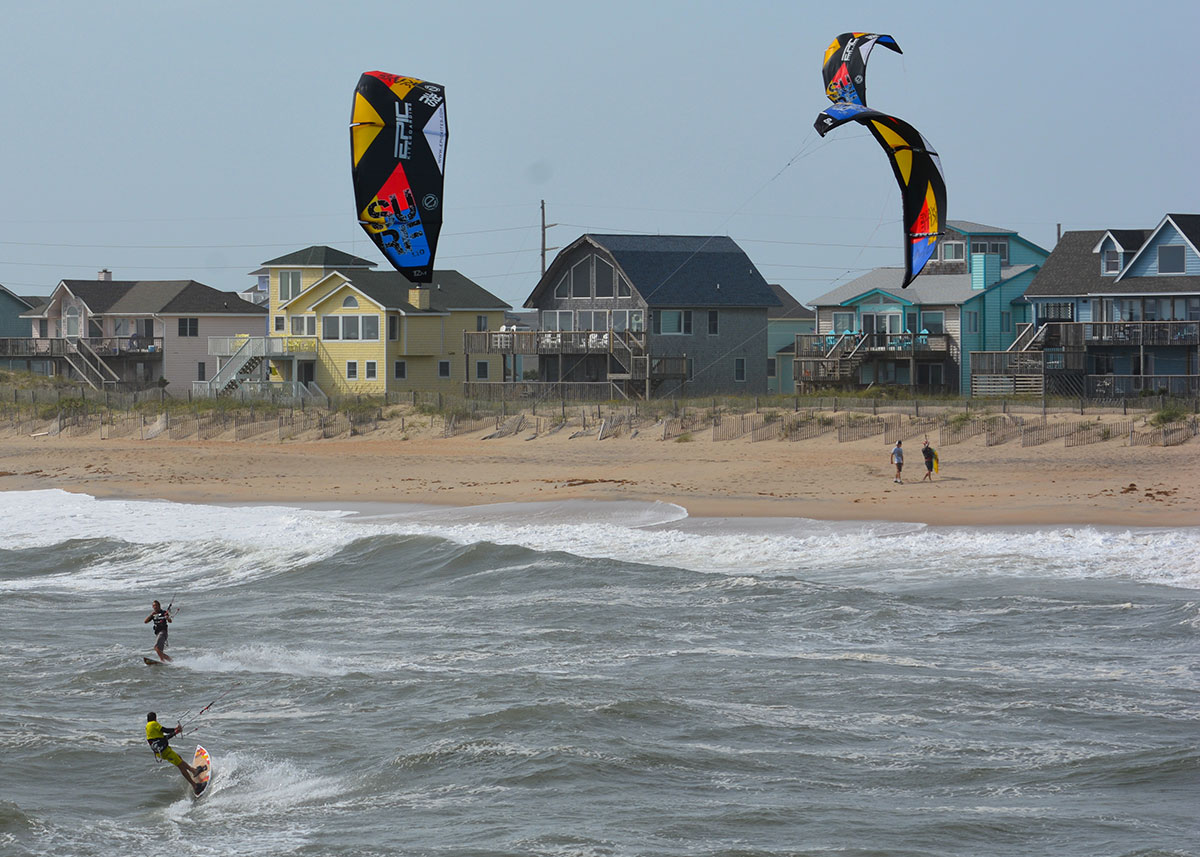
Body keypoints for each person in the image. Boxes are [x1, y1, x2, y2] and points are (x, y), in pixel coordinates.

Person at [145, 712, 206, 793]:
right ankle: (195, 786)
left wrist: (175, 732)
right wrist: (175, 729)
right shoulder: (153, 724)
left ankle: (194, 771)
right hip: (165, 752)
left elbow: (163, 738)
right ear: (155, 718)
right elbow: (165, 730)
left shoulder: (148, 728)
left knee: (179, 758)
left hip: (162, 752)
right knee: (180, 765)